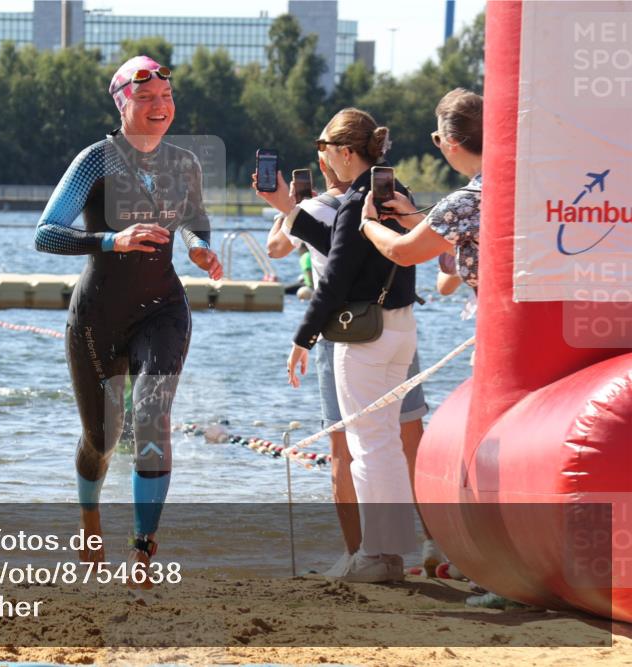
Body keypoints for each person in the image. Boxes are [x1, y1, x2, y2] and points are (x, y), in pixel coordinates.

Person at [34, 55, 222, 584]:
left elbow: (194, 223)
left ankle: (143, 549)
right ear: (124, 105)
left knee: (152, 418)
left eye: (165, 98)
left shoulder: (184, 163)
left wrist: (201, 249)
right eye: (146, 99)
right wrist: (111, 240)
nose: (160, 107)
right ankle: (90, 515)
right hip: (97, 318)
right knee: (102, 437)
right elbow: (46, 233)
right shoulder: (96, 160)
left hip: (163, 309)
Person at [256, 107, 418, 583]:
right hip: (401, 328)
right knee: (385, 441)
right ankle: (390, 555)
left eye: (325, 149)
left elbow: (336, 278)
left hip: (364, 336)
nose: (322, 158)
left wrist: (302, 338)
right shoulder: (395, 193)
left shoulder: (353, 201)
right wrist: (291, 211)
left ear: (345, 153)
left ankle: (375, 555)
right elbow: (349, 247)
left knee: (369, 446)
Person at [360, 89, 483, 293]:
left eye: (437, 138)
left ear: (451, 142)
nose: (438, 144)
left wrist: (368, 223)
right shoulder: (512, 182)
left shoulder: (464, 202)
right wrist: (418, 220)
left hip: (503, 317)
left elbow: (402, 252)